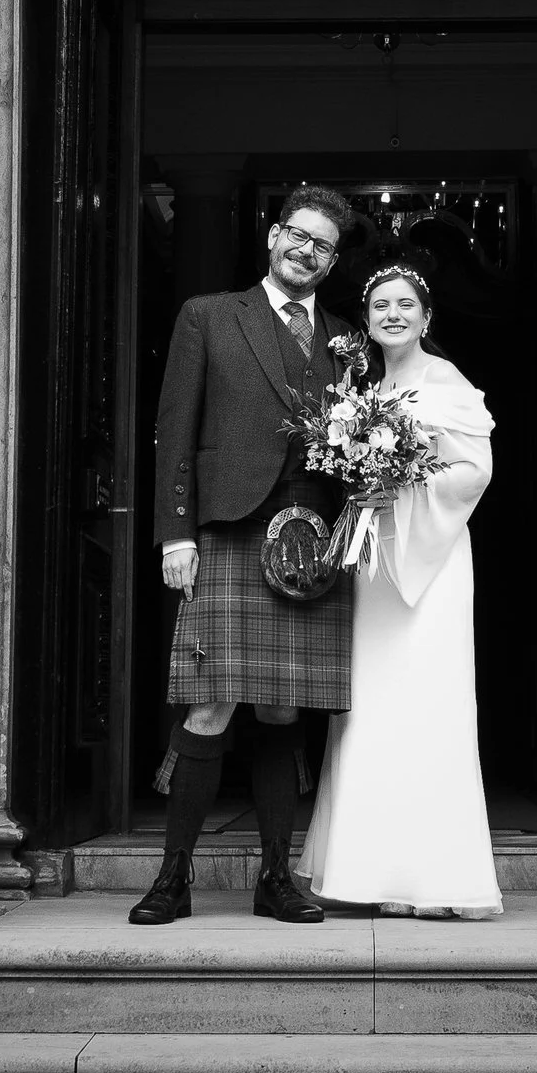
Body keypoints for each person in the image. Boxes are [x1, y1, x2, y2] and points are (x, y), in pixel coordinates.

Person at [131, 184, 361, 927]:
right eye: (298, 235)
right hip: (228, 532)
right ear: (272, 236)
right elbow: (175, 427)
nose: (307, 251)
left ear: (331, 259)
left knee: (283, 707)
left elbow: (355, 447)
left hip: (310, 544)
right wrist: (176, 533)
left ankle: (275, 877)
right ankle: (173, 878)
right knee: (210, 704)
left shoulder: (345, 339)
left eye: (323, 244)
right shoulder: (209, 314)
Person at [299, 262, 502, 919]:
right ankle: (372, 873)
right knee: (370, 709)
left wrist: (405, 482)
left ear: (425, 317)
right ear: (367, 321)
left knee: (430, 704)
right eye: (381, 304)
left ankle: (435, 879)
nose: (393, 314)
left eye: (405, 304)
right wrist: (362, 482)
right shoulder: (362, 391)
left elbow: (474, 470)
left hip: (433, 562)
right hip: (375, 562)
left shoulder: (446, 382)